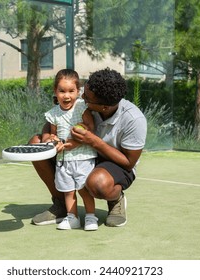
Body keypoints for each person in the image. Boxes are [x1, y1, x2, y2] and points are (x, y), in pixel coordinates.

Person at [30, 68, 147, 227]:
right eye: (83, 92)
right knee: (36, 145)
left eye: (86, 97)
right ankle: (62, 205)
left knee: (98, 183)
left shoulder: (134, 120)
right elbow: (54, 119)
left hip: (115, 162)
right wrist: (47, 137)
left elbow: (128, 162)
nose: (81, 96)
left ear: (103, 107)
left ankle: (115, 199)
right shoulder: (89, 94)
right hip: (79, 153)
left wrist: (93, 141)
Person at [42, 69, 98, 231]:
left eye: (71, 91)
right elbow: (53, 134)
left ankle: (90, 217)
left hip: (83, 158)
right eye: (62, 91)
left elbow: (90, 128)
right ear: (55, 92)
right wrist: (54, 141)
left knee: (84, 189)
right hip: (64, 160)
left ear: (78, 91)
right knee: (68, 191)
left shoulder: (82, 107)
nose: (67, 96)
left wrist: (75, 141)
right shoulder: (53, 114)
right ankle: (72, 218)